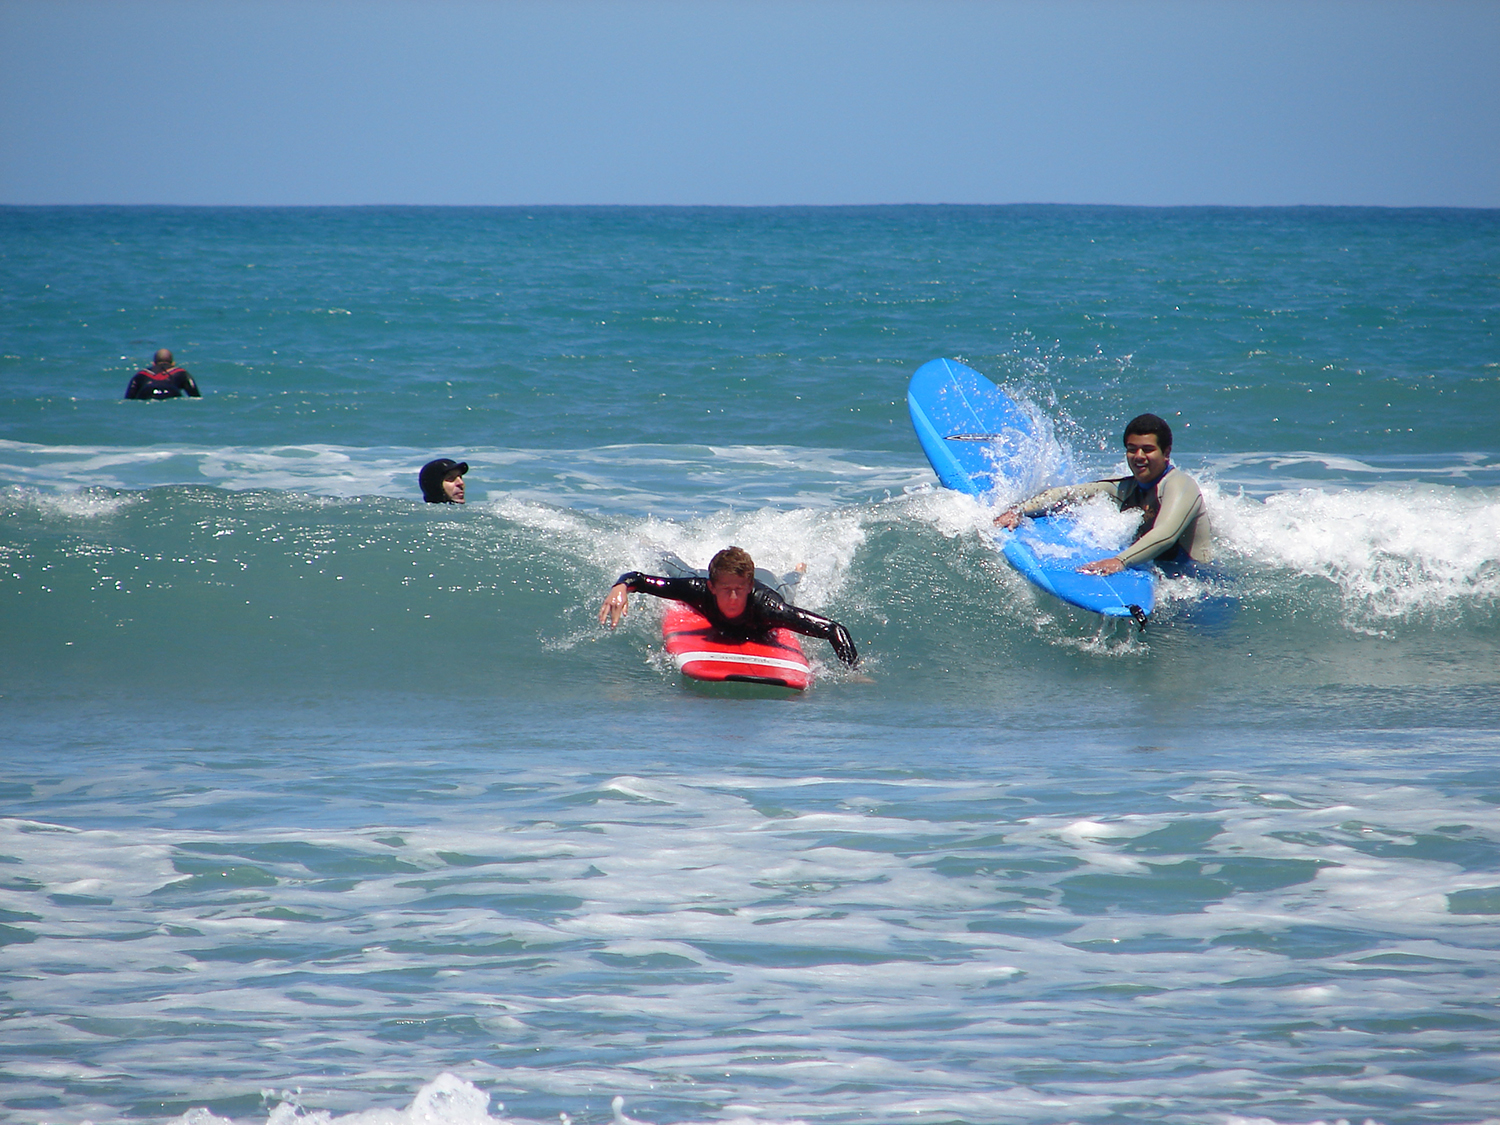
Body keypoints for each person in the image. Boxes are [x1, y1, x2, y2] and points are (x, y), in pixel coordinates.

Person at [993, 413, 1212, 576]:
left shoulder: (1180, 485)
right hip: (1160, 579)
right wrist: (1020, 510)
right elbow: (1066, 495)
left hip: (1199, 585)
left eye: (1147, 449)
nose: (1138, 456)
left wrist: (1120, 561)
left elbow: (1166, 534)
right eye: (1131, 448)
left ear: (1166, 453)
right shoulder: (1126, 489)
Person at [599, 545, 859, 667]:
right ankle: (659, 547)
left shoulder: (768, 606)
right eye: (726, 591)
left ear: (747, 587)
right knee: (682, 572)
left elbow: (833, 629)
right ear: (712, 588)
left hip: (768, 583)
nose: (733, 597)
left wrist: (853, 668)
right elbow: (640, 580)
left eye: (739, 591)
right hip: (717, 575)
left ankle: (797, 570)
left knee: (788, 588)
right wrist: (621, 586)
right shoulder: (700, 590)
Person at [124, 349, 201, 400]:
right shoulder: (181, 372)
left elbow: (129, 398)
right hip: (171, 392)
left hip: (147, 392)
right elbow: (195, 396)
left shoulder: (141, 374)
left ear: (153, 363)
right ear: (173, 363)